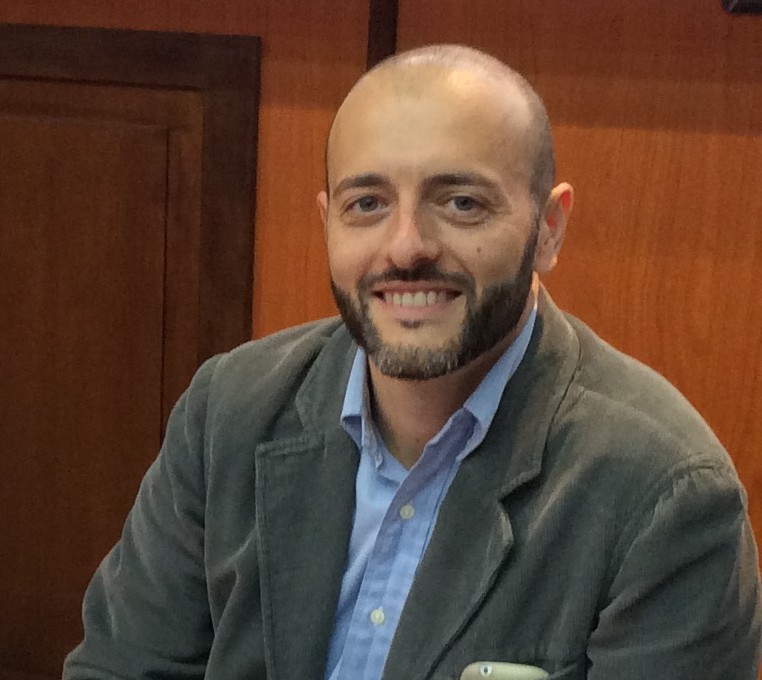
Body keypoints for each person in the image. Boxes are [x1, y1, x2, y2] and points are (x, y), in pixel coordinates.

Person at [63, 44, 761, 680]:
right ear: (326, 222)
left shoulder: (665, 493)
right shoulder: (228, 412)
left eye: (461, 202)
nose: (405, 248)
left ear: (548, 229)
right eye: (366, 204)